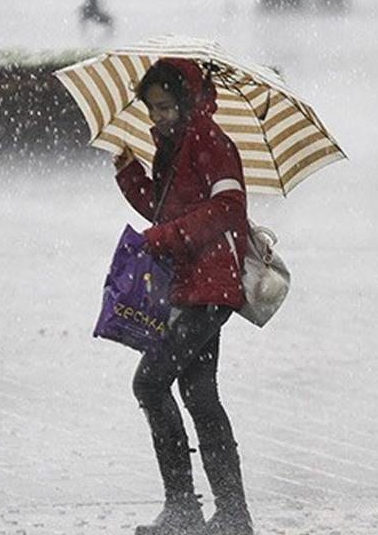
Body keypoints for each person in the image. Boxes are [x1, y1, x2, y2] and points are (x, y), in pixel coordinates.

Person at [112, 58, 254, 535]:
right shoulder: (173, 145)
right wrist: (130, 175)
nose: (159, 117)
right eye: (153, 109)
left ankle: (184, 509)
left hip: (211, 286)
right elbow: (164, 209)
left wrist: (166, 237)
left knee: (150, 383)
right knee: (199, 394)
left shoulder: (211, 142)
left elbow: (228, 208)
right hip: (190, 284)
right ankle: (231, 516)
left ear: (187, 101)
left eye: (166, 107)